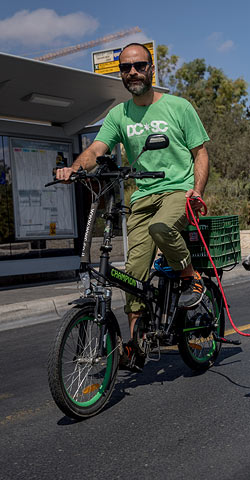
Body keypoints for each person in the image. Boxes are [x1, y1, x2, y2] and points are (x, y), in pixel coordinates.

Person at [56, 43, 210, 371]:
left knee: (162, 228)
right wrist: (75, 168)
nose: (133, 73)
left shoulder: (179, 107)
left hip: (176, 191)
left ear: (151, 68)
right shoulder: (119, 114)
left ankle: (190, 277)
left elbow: (201, 154)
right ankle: (137, 344)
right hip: (142, 198)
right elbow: (97, 148)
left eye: (139, 65)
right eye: (126, 68)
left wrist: (196, 192)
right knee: (132, 276)